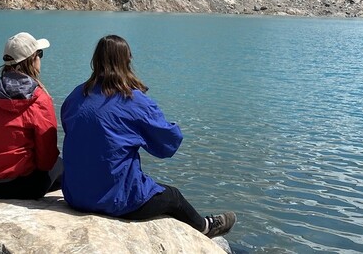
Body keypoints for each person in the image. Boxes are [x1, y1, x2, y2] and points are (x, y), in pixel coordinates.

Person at [61, 35, 235, 238]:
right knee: (173, 197)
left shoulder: (76, 95)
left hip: (75, 195)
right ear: (126, 61)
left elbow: (72, 128)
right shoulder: (133, 100)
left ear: (96, 60)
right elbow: (167, 145)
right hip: (116, 200)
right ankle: (206, 227)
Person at [0, 31, 62, 200]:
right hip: (22, 188)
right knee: (63, 166)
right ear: (32, 60)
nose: (40, 58)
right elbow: (46, 160)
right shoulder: (39, 99)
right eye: (40, 54)